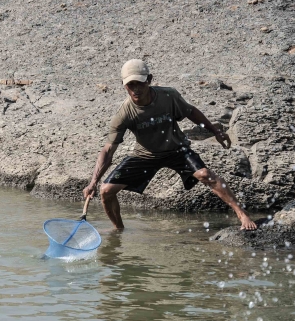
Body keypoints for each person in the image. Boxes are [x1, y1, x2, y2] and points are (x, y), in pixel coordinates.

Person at [82, 59, 257, 231]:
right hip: (146, 155)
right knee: (106, 191)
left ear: (149, 80)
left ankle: (242, 214)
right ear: (124, 85)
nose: (135, 89)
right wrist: (93, 183)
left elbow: (191, 112)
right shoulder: (124, 114)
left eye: (140, 83)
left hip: (176, 150)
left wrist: (215, 131)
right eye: (130, 85)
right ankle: (118, 230)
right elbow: (108, 149)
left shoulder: (168, 96)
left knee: (205, 174)